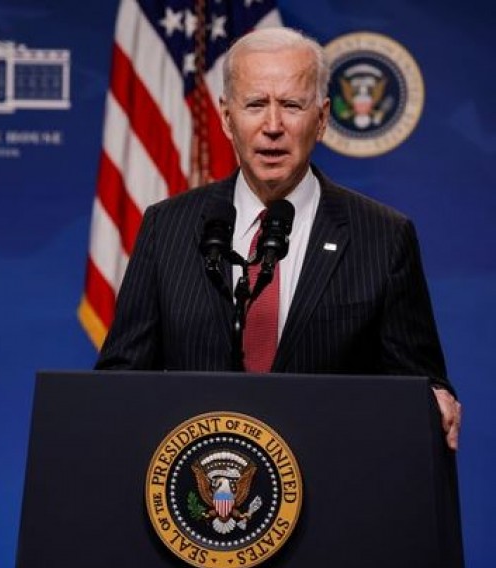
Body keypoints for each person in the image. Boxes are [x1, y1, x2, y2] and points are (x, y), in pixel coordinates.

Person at [95, 27, 461, 451]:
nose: (273, 126)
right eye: (255, 105)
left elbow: (416, 383)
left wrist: (432, 396)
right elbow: (119, 381)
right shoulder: (167, 227)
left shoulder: (383, 236)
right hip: (196, 494)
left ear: (321, 119)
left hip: (333, 489)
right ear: (227, 118)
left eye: (291, 105)